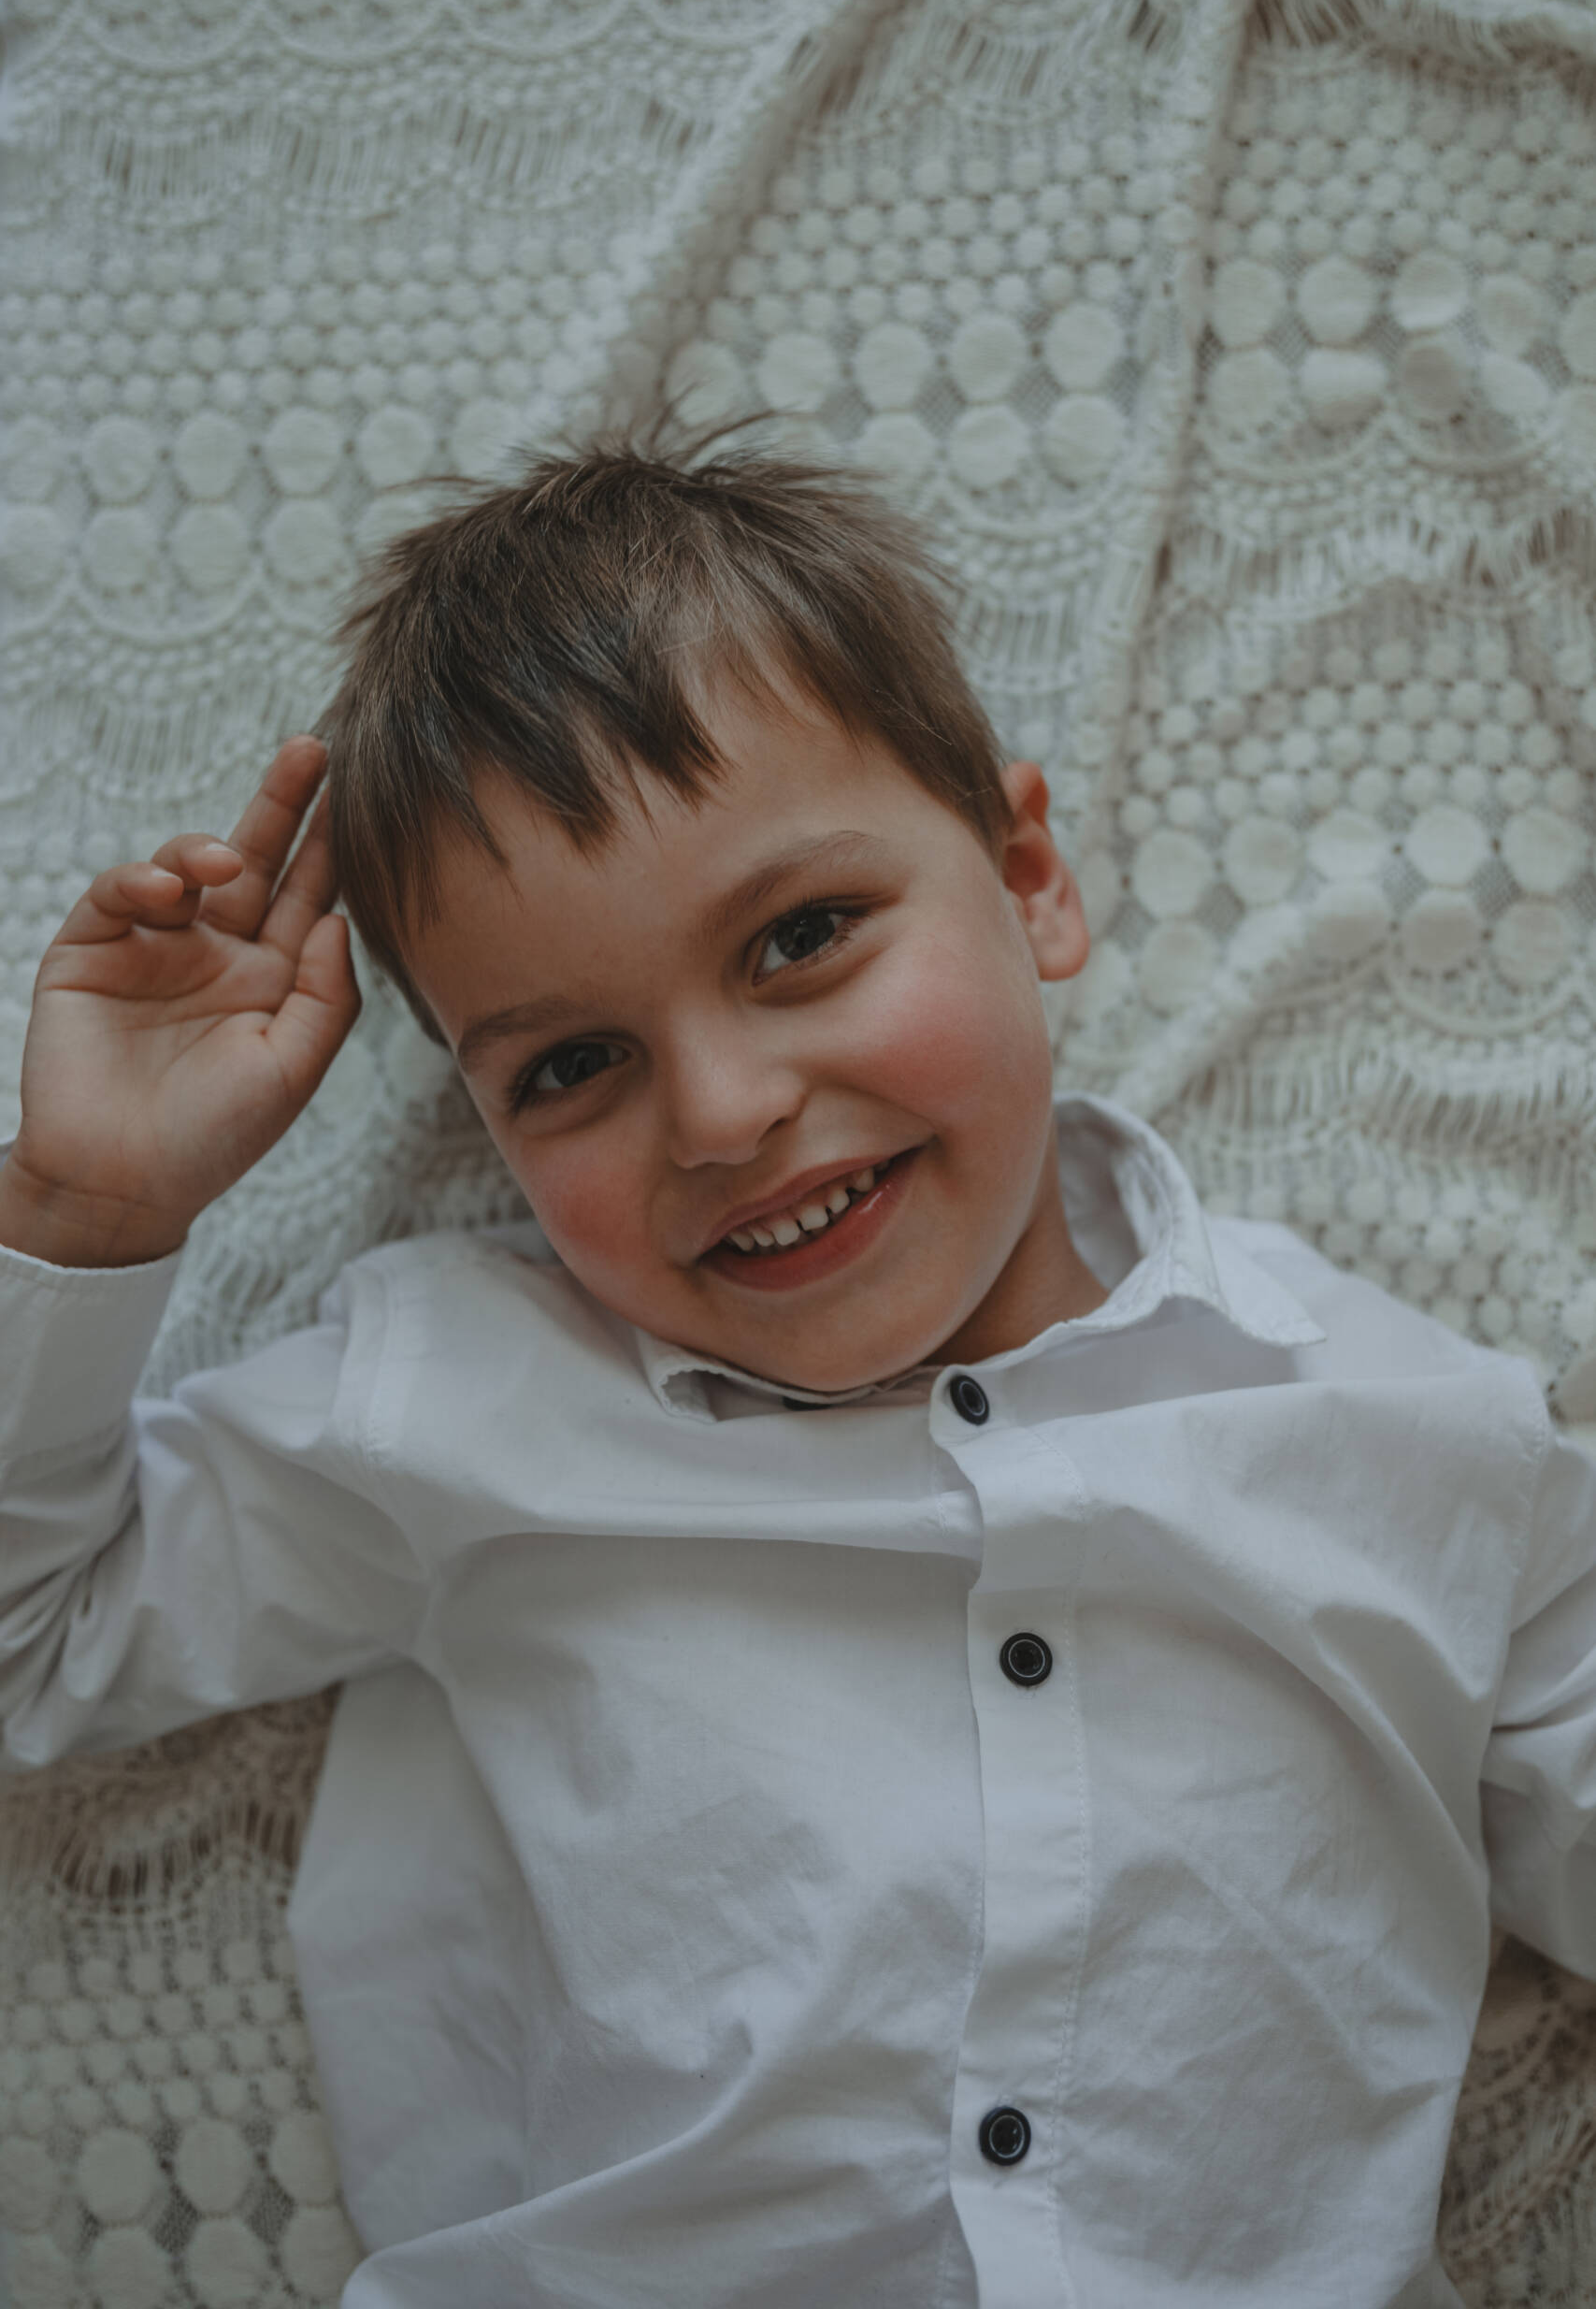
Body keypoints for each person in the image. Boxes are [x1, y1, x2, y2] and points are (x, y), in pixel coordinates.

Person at [3, 442, 1594, 2309]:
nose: (726, 1110)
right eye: (570, 1065)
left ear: (1027, 877)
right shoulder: (450, 1394)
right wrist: (84, 1209)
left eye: (798, 938)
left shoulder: (1404, 1427)